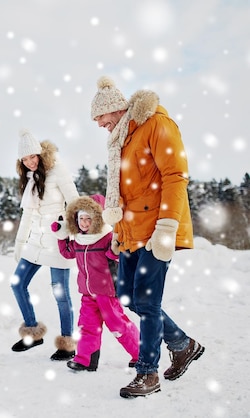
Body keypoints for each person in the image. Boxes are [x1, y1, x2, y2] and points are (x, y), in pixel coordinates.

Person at [90, 76, 205, 398]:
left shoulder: (156, 124)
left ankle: (148, 373)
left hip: (156, 231)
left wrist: (167, 227)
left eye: (101, 116)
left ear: (115, 109)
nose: (99, 123)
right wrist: (119, 232)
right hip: (132, 233)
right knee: (127, 296)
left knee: (148, 303)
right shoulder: (122, 139)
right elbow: (128, 193)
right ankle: (182, 344)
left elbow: (175, 175)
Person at [10, 129, 79, 361]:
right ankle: (32, 333)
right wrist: (20, 242)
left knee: (60, 293)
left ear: (40, 153)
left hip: (57, 241)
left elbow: (76, 203)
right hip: (34, 243)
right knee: (17, 284)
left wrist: (67, 229)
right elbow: (28, 215)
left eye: (33, 156)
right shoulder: (29, 180)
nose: (30, 162)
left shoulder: (58, 171)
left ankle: (68, 344)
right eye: (25, 159)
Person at [51, 194, 139, 372]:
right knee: (86, 326)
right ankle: (85, 360)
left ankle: (140, 353)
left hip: (107, 292)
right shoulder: (79, 239)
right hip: (87, 292)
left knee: (118, 325)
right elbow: (68, 253)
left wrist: (115, 250)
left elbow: (118, 255)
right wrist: (61, 236)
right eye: (81, 218)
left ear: (97, 219)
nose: (84, 223)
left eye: (88, 219)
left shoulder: (106, 236)